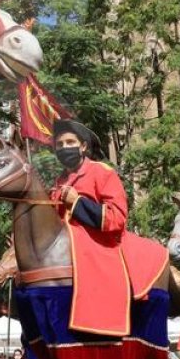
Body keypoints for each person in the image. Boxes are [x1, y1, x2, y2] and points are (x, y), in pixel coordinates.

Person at [50, 118, 132, 335]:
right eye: (60, 144)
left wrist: (77, 203)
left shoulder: (102, 172)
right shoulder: (58, 181)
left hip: (98, 250)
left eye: (70, 142)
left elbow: (117, 218)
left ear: (83, 146)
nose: (65, 148)